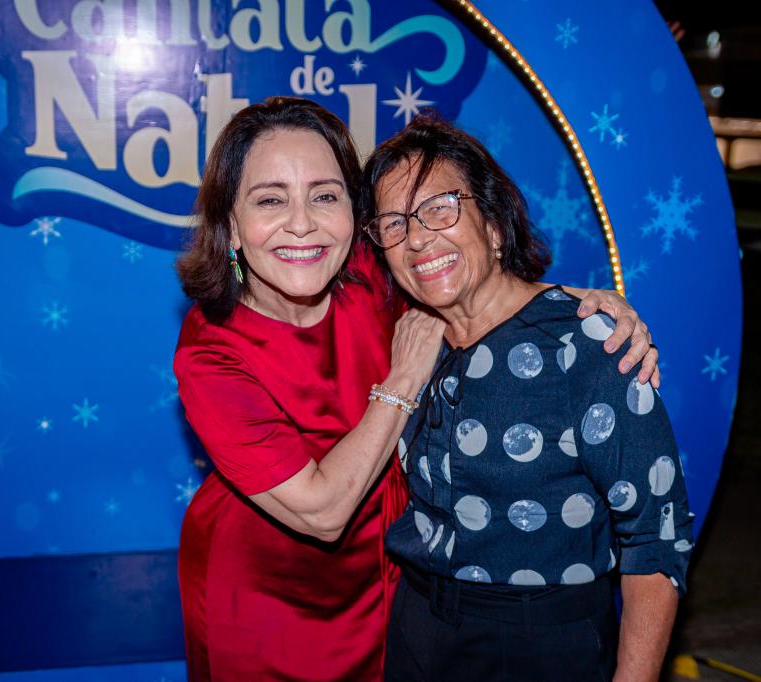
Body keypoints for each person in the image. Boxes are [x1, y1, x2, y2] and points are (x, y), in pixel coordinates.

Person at [173, 97, 659, 681]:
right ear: (230, 224)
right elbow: (323, 512)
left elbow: (474, 274)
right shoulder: (209, 353)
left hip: (400, 580)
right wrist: (402, 379)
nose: (302, 224)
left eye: (325, 196)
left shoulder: (372, 272)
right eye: (270, 199)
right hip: (265, 592)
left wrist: (577, 303)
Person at [362, 113, 691, 682]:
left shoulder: (586, 344)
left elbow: (655, 537)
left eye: (440, 207)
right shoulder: (412, 339)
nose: (416, 238)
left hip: (540, 645)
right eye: (394, 223)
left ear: (493, 224)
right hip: (418, 628)